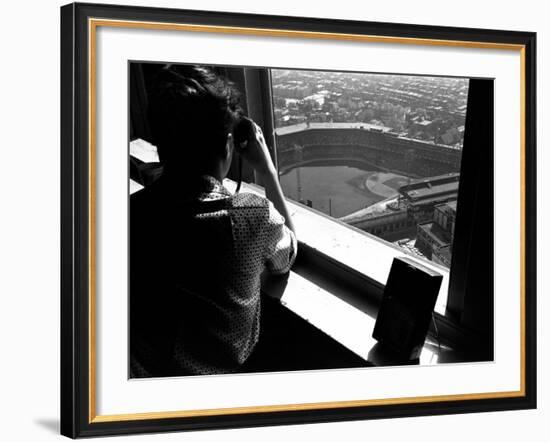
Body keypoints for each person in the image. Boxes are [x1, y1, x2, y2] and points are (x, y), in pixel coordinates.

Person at [130, 65, 297, 377]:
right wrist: (268, 171)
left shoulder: (130, 215)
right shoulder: (254, 216)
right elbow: (287, 256)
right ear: (227, 145)